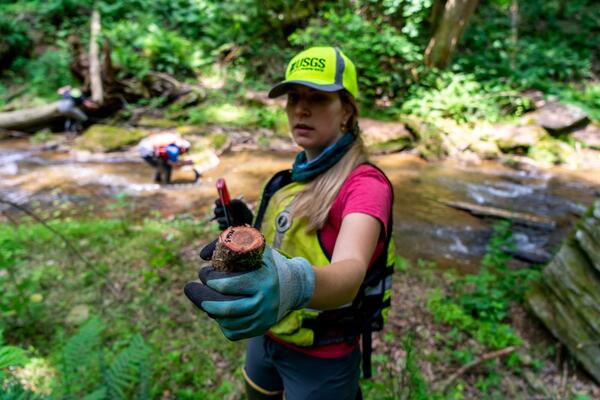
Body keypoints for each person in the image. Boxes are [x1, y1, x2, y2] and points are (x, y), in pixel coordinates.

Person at [185, 46, 395, 400]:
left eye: (318, 98)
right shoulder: (291, 178)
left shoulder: (366, 185)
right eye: (293, 97)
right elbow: (285, 243)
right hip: (266, 336)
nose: (301, 108)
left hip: (321, 356)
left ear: (346, 110)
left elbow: (349, 272)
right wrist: (244, 227)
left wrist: (291, 283)